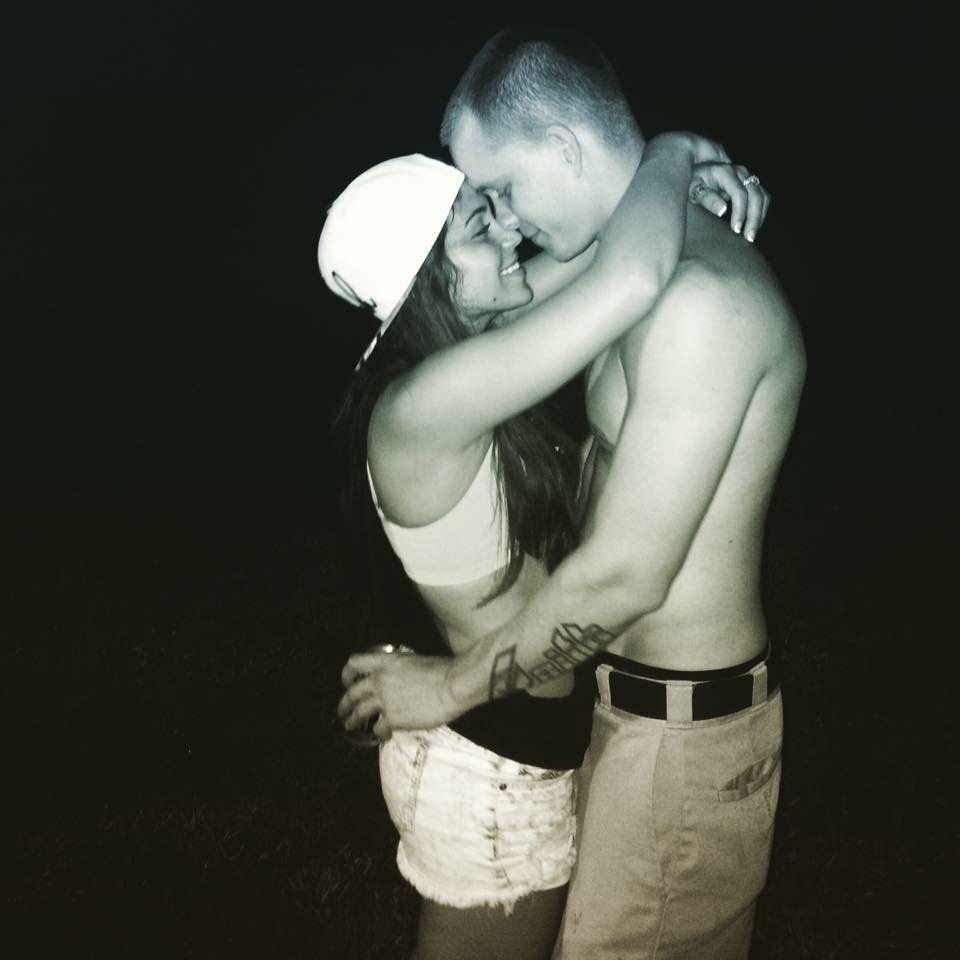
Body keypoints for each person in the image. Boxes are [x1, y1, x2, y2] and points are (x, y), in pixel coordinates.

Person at [339, 29, 805, 960]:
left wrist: (449, 687)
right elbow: (612, 271)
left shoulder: (699, 303)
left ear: (562, 146)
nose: (508, 224)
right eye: (485, 214)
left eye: (503, 191)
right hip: (621, 714)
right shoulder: (628, 271)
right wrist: (675, 157)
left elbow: (628, 573)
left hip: (682, 730)